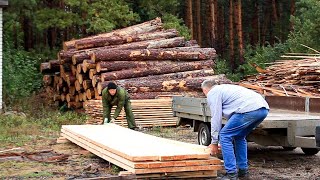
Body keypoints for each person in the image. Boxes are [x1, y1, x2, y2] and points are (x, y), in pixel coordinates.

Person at [201, 80, 269, 180]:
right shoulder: (226, 88)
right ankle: (243, 171)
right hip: (263, 110)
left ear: (205, 90)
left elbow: (216, 117)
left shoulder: (213, 92)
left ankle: (231, 174)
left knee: (224, 135)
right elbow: (233, 116)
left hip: (249, 110)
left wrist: (214, 142)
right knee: (239, 136)